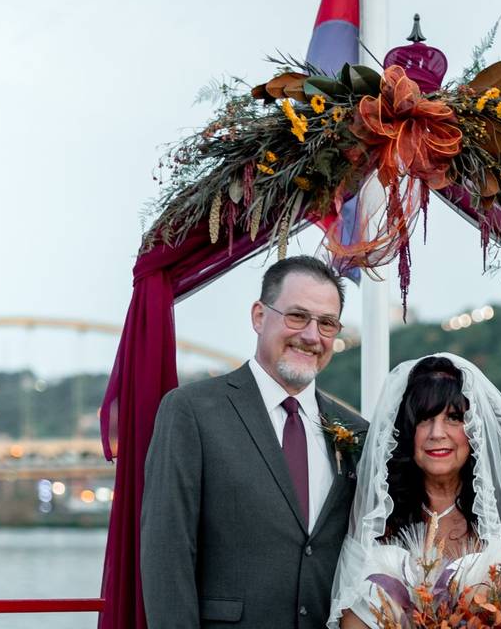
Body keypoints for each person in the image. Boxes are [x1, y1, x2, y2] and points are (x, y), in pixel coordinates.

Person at [141, 255, 367, 628]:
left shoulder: (356, 432)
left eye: (327, 324)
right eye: (297, 316)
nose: (311, 336)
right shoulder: (192, 412)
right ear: (259, 316)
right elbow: (167, 554)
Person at [329, 354, 501, 628]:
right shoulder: (376, 516)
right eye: (424, 419)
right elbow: (351, 609)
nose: (437, 433)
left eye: (454, 418)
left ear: (476, 430)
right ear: (408, 431)